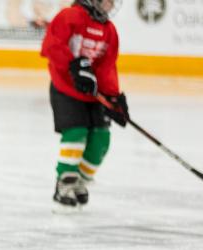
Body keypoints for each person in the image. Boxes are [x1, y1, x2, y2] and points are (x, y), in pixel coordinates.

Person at [40, 0, 129, 208]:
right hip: (66, 90)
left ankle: (80, 180)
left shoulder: (109, 30)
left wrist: (114, 98)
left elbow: (107, 68)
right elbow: (50, 47)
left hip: (93, 94)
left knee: (101, 139)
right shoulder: (70, 16)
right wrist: (72, 64)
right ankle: (65, 182)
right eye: (108, 0)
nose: (111, 5)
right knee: (76, 133)